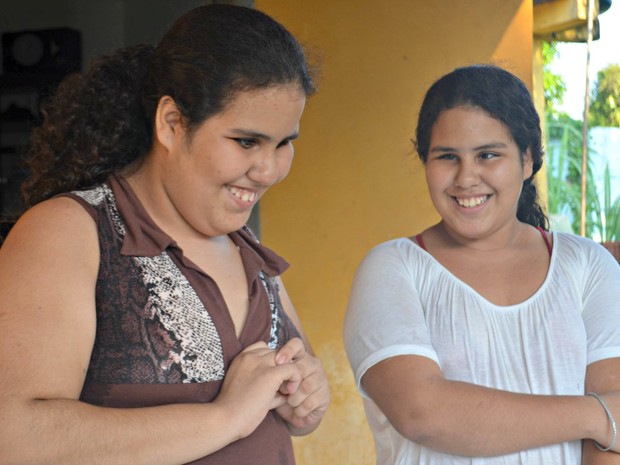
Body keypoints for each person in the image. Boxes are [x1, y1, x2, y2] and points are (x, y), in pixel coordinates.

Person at [0, 4, 330, 464]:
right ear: (172, 123)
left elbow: (295, 411)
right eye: (247, 141)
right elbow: (16, 438)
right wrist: (225, 419)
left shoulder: (251, 253)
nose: (269, 170)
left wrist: (307, 400)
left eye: (284, 143)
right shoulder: (70, 231)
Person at [343, 64, 620, 465]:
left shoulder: (588, 267)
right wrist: (596, 415)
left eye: (488, 155)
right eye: (447, 157)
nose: (466, 177)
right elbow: (422, 413)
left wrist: (603, 424)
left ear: (527, 161)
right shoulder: (393, 269)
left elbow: (610, 445)